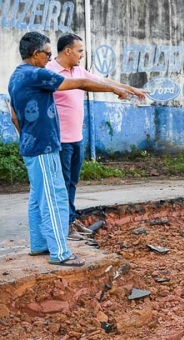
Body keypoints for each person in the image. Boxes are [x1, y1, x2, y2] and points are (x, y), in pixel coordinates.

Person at [8, 32, 129, 266]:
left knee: (38, 196)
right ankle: (60, 252)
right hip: (43, 146)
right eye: (47, 54)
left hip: (32, 145)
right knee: (55, 198)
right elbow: (81, 83)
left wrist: (27, 137)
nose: (49, 58)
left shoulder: (17, 75)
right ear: (35, 54)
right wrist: (115, 90)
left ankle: (40, 245)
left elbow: (14, 114)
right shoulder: (37, 74)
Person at [46, 34, 148, 241]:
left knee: (72, 182)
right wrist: (115, 90)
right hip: (59, 140)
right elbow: (85, 84)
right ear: (68, 51)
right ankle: (62, 226)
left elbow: (102, 80)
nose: (82, 55)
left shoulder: (78, 70)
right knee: (62, 183)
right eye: (80, 51)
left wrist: (131, 89)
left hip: (76, 138)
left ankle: (70, 220)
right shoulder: (50, 71)